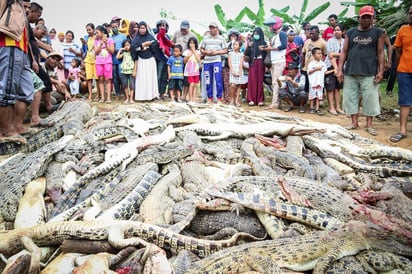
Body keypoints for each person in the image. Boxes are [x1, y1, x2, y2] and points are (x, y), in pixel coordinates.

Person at [336, 5, 385, 136]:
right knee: (350, 97)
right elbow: (344, 51)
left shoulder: (378, 32)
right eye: (364, 17)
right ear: (359, 18)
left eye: (369, 17)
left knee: (370, 98)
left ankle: (369, 125)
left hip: (369, 71)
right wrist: (340, 69)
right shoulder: (351, 32)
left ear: (373, 18)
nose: (367, 20)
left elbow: (380, 53)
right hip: (351, 70)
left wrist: (381, 71)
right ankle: (354, 123)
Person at [0, 0, 34, 140]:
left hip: (22, 49)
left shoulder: (19, 4)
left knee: (26, 91)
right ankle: (6, 131)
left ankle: (17, 126)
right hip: (9, 43)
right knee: (7, 89)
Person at [389, 6, 412, 143]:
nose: (411, 15)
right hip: (405, 71)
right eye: (410, 13)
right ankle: (402, 130)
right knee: (404, 101)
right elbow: (398, 50)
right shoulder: (403, 30)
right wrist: (396, 68)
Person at [200, 22, 227, 103]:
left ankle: (219, 98)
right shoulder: (205, 38)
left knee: (218, 79)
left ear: (217, 28)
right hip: (207, 61)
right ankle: (210, 98)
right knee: (208, 80)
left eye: (213, 28)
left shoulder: (221, 38)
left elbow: (225, 50)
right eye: (210, 28)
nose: (212, 29)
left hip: (216, 61)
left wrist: (217, 52)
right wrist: (206, 52)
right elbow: (201, 49)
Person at [263, 16, 287, 109]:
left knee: (275, 82)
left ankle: (275, 103)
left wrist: (270, 48)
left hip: (279, 61)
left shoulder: (282, 34)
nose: (269, 28)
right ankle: (277, 102)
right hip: (274, 61)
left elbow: (284, 46)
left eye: (271, 25)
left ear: (276, 25)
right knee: (275, 82)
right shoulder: (274, 37)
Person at [131, 21, 159, 101]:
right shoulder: (136, 39)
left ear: (146, 29)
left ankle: (151, 96)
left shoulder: (150, 37)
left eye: (144, 28)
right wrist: (142, 45)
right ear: (138, 29)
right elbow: (134, 48)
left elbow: (155, 45)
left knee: (150, 78)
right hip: (141, 61)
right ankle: (141, 97)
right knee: (142, 79)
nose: (142, 30)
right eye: (141, 28)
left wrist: (149, 45)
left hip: (150, 60)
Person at [172, 20, 196, 101]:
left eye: (185, 29)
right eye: (182, 28)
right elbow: (172, 43)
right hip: (177, 58)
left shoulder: (192, 35)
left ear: (188, 28)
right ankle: (176, 95)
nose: (183, 30)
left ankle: (184, 96)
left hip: (187, 59)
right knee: (176, 77)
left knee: (186, 79)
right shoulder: (176, 33)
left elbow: (195, 47)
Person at [325, 23, 345, 115]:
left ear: (343, 31)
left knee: (338, 88)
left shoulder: (345, 41)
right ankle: (331, 107)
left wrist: (336, 54)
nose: (336, 31)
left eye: (338, 30)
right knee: (330, 88)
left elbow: (347, 54)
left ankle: (338, 107)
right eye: (335, 30)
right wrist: (336, 68)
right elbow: (330, 55)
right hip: (330, 66)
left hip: (342, 66)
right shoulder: (330, 41)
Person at [244, 27, 267, 106]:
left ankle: (260, 99)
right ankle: (251, 99)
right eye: (254, 34)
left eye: (257, 34)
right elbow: (246, 54)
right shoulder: (251, 43)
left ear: (260, 34)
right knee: (252, 81)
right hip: (253, 62)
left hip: (261, 63)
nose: (256, 35)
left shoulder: (264, 43)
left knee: (260, 81)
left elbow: (266, 55)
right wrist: (249, 46)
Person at [301, 25, 327, 94]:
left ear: (318, 33)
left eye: (313, 33)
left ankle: (319, 100)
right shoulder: (307, 42)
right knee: (307, 85)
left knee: (318, 84)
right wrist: (302, 66)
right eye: (310, 33)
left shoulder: (323, 43)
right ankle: (310, 100)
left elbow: (325, 55)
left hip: (317, 68)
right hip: (307, 68)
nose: (311, 35)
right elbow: (303, 53)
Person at [94, 25, 115, 103]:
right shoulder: (96, 41)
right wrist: (100, 44)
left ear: (102, 32)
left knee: (107, 79)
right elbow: (96, 52)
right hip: (99, 62)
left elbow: (112, 51)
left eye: (97, 33)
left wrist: (106, 44)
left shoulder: (110, 40)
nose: (96, 34)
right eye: (95, 33)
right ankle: (102, 97)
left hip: (107, 61)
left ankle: (108, 97)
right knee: (101, 79)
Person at [154, 19, 174, 100]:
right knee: (158, 77)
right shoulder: (156, 36)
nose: (162, 27)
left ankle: (162, 93)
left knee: (165, 78)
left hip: (167, 59)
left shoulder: (168, 36)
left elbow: (169, 46)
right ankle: (156, 93)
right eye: (160, 26)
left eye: (164, 26)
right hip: (160, 59)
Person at [307, 47, 327, 115]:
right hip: (313, 82)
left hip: (320, 82)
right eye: (318, 53)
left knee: (318, 96)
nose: (320, 55)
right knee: (312, 96)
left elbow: (325, 72)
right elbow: (309, 72)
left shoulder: (323, 63)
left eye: (321, 53)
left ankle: (317, 108)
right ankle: (311, 107)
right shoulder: (311, 63)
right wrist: (316, 69)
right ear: (313, 55)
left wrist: (333, 71)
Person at [110, 20, 127, 99]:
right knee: (115, 76)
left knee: (122, 75)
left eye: (116, 27)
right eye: (113, 27)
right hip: (113, 59)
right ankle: (117, 93)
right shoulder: (110, 37)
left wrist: (120, 50)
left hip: (122, 59)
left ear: (118, 27)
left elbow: (126, 45)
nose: (114, 28)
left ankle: (124, 92)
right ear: (111, 28)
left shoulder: (123, 36)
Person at [183, 37, 201, 102]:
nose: (192, 44)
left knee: (195, 85)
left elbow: (199, 59)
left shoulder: (197, 52)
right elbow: (184, 61)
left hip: (196, 71)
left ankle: (194, 99)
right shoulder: (186, 51)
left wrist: (194, 51)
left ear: (196, 44)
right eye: (190, 43)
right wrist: (188, 55)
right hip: (189, 71)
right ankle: (190, 99)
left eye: (193, 43)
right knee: (191, 84)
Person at [83, 23, 97, 101]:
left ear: (93, 29)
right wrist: (84, 44)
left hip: (95, 59)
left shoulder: (97, 37)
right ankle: (90, 95)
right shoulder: (86, 38)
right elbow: (85, 49)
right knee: (89, 78)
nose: (88, 31)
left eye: (89, 29)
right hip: (88, 59)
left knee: (97, 78)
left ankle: (98, 94)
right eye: (87, 30)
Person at [228, 40, 244, 107]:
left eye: (236, 44)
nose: (235, 46)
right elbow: (229, 63)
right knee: (232, 85)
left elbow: (241, 64)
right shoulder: (230, 53)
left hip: (239, 70)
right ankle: (231, 99)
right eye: (234, 44)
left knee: (238, 86)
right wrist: (232, 71)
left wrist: (240, 72)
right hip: (232, 70)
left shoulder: (241, 54)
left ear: (240, 46)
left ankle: (236, 100)